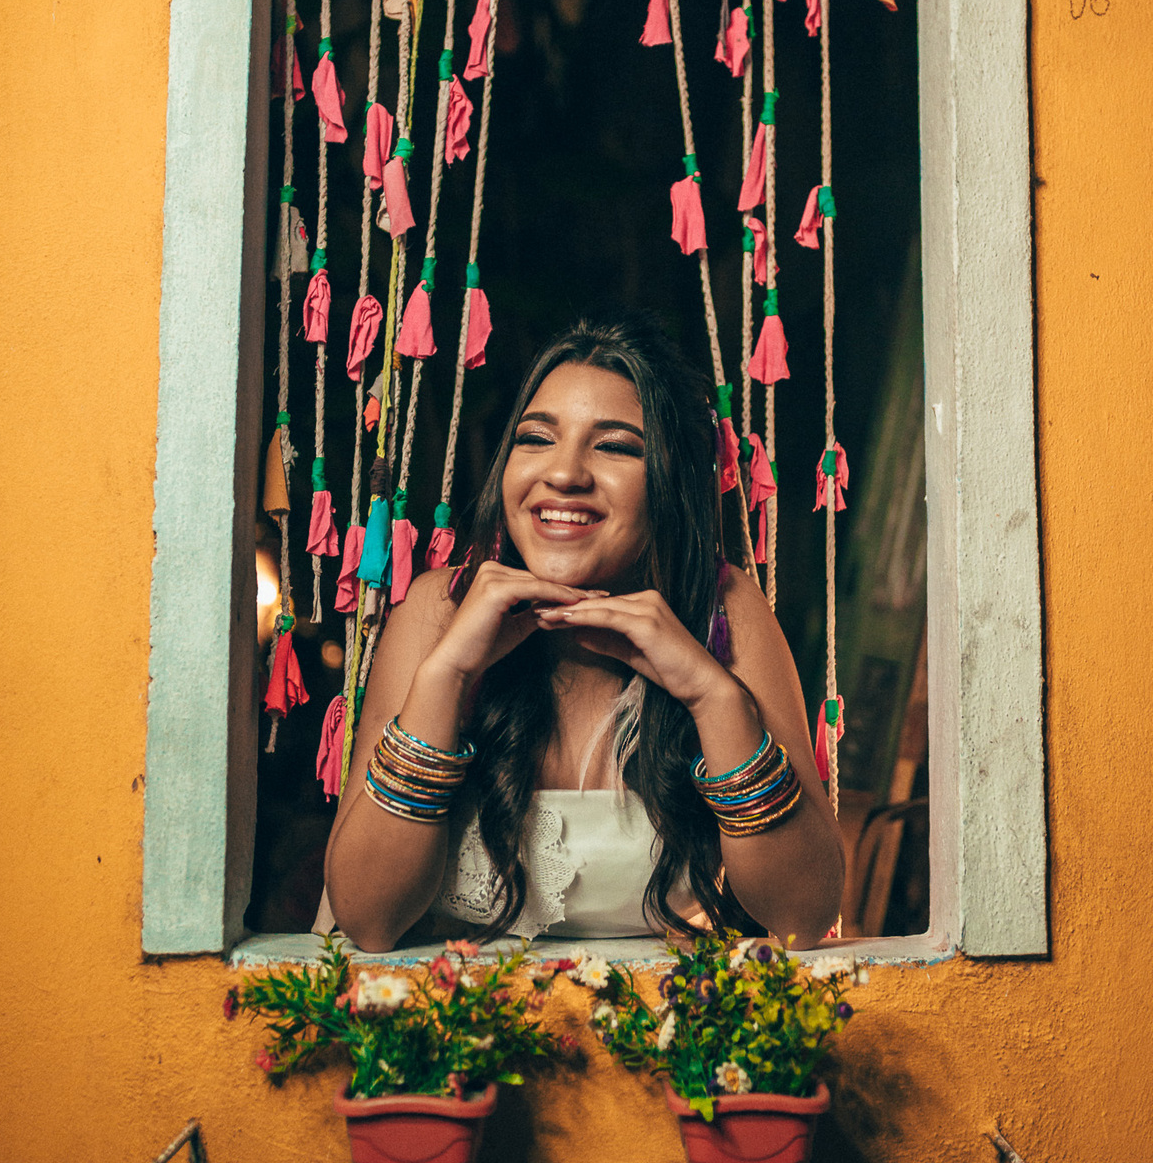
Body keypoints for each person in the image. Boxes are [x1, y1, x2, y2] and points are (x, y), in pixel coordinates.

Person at [318, 314, 844, 952]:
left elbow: (804, 914)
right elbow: (368, 922)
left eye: (616, 446)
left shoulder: (726, 613)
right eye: (536, 439)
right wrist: (447, 676)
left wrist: (712, 695)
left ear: (671, 482)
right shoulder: (436, 611)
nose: (564, 474)